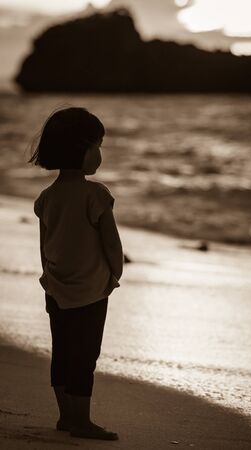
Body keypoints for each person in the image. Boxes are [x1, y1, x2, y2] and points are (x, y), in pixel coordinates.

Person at [29, 107, 123, 440]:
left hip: (56, 289)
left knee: (63, 350)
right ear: (80, 150)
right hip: (91, 291)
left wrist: (48, 278)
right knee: (85, 355)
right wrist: (115, 275)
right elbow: (112, 245)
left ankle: (66, 416)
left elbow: (44, 246)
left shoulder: (46, 198)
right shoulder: (96, 195)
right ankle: (81, 420)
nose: (99, 154)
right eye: (97, 145)